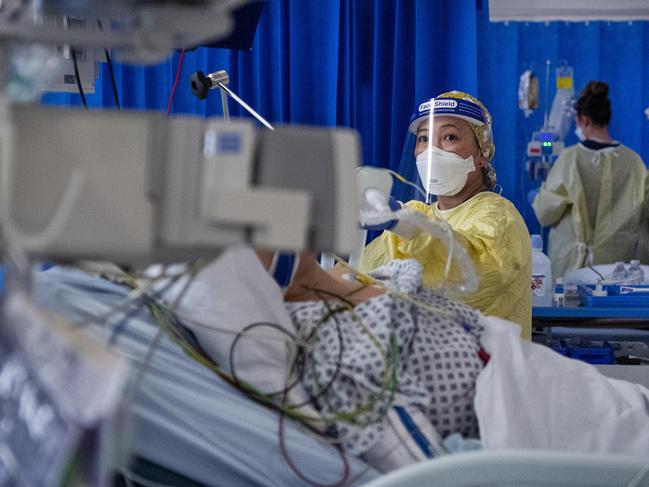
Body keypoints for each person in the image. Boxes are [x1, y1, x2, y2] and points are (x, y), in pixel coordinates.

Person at [359, 91, 532, 339]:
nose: (432, 151)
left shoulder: (499, 216)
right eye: (424, 139)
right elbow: (364, 273)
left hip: (485, 369)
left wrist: (405, 225)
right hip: (428, 368)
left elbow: (468, 274)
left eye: (449, 137)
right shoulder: (418, 214)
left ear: (481, 154)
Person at [532, 80, 649, 279]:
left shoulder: (570, 159)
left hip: (573, 268)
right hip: (621, 270)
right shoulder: (634, 162)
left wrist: (539, 196)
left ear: (583, 119)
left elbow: (546, 213)